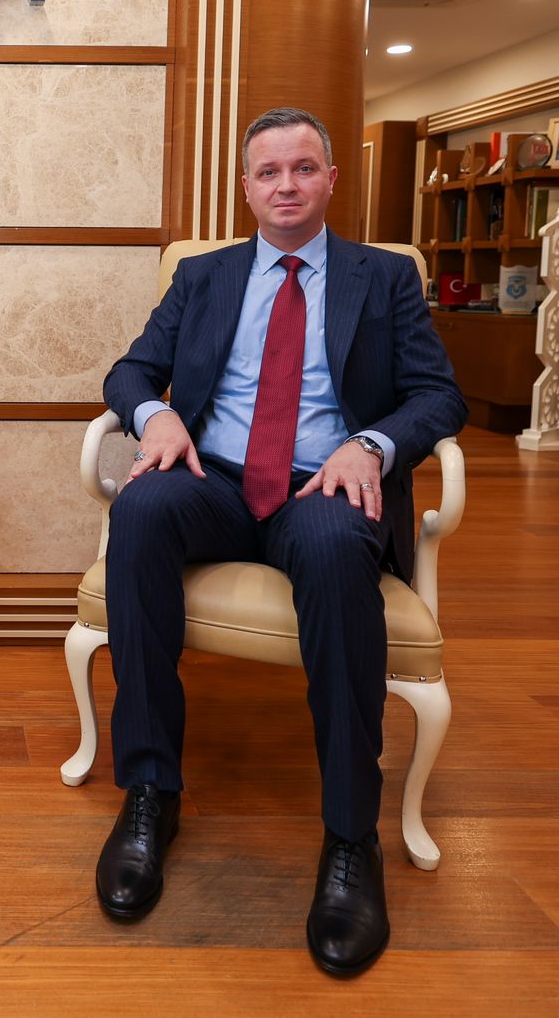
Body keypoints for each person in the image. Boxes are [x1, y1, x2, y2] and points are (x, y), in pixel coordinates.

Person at [94, 107, 466, 975]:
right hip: (217, 479)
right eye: (269, 172)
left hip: (321, 484)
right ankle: (149, 791)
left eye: (303, 168)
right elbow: (131, 371)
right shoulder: (205, 275)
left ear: (331, 180)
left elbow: (438, 395)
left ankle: (351, 836)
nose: (286, 185)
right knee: (140, 511)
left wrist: (370, 443)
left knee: (335, 549)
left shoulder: (384, 278)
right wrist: (152, 417)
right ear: (247, 187)